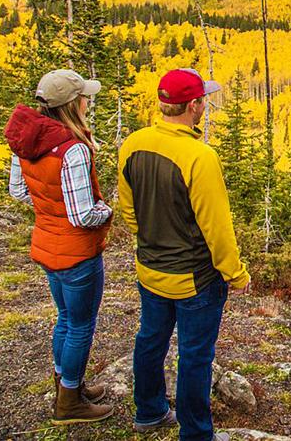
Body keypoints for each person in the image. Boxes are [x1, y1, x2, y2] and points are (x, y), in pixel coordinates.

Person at [117, 68, 250, 441]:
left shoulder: (134, 144)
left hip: (150, 269)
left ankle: (149, 410)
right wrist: (235, 274)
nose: (205, 104)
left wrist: (152, 241)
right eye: (203, 99)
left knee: (150, 339)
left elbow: (129, 210)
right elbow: (217, 229)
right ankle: (195, 435)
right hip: (195, 280)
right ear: (193, 106)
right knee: (194, 356)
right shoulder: (199, 156)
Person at [4, 69, 114, 425]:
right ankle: (69, 404)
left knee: (65, 319)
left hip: (47, 245)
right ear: (73, 104)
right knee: (81, 325)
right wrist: (111, 210)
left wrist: (48, 207)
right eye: (85, 97)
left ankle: (68, 385)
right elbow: (83, 215)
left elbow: (19, 191)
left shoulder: (27, 138)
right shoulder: (72, 149)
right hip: (76, 252)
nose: (88, 101)